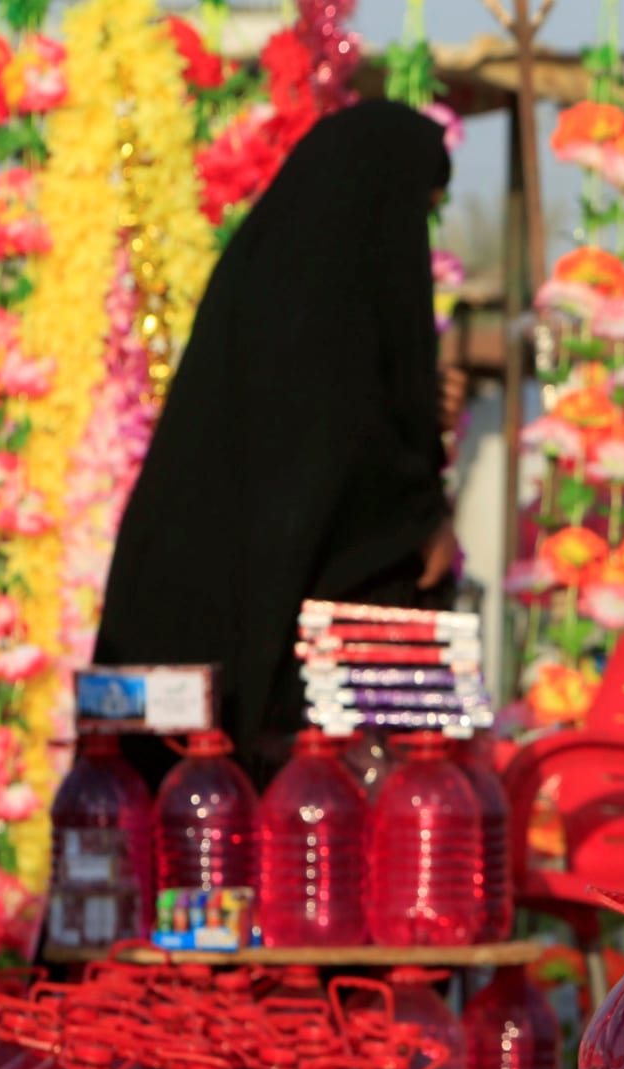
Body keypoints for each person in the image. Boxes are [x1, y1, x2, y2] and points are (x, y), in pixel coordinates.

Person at [95, 99, 461, 787]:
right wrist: (421, 517)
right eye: (421, 211)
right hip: (292, 710)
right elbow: (345, 464)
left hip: (199, 649)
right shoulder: (333, 310)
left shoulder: (270, 268)